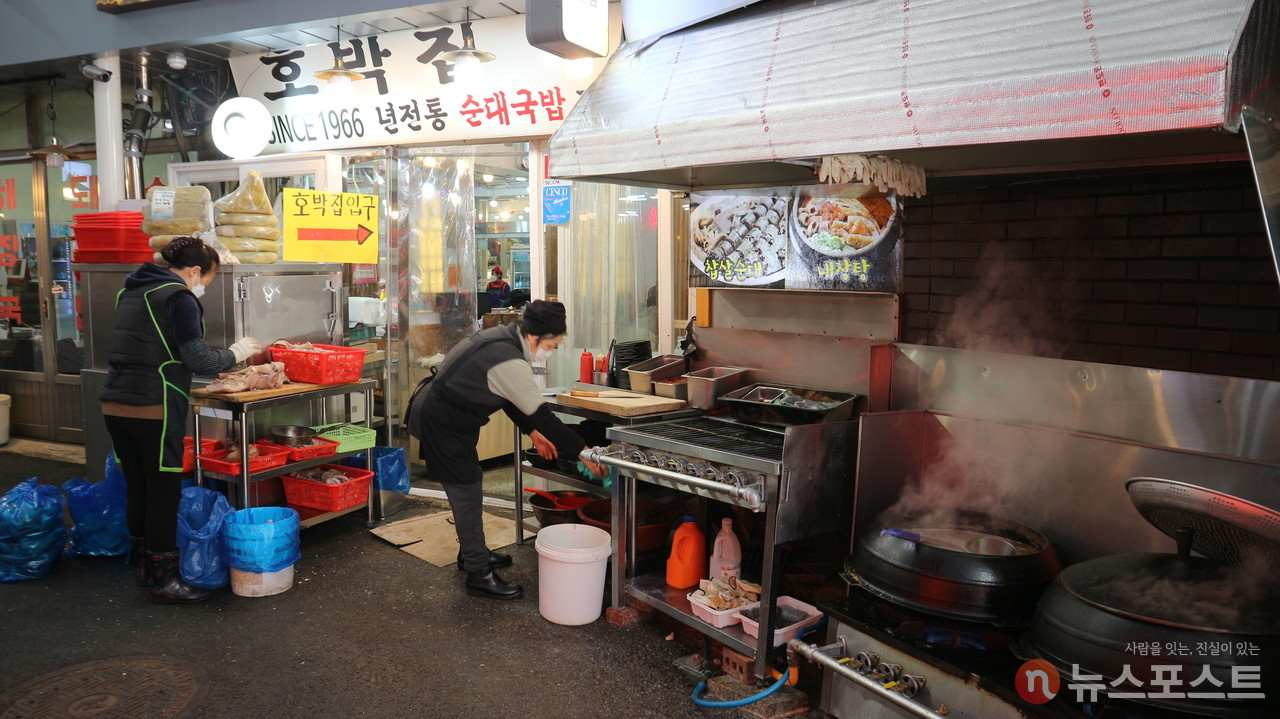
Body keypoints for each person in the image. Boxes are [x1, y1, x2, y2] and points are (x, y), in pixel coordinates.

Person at [99, 236, 261, 603]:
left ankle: (144, 566)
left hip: (115, 404)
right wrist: (237, 352)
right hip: (153, 405)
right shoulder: (178, 297)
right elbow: (199, 361)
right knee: (163, 491)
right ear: (193, 271)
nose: (203, 286)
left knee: (139, 486)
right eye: (206, 279)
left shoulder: (132, 292)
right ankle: (165, 580)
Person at [411, 300, 604, 599]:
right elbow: (544, 416)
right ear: (536, 337)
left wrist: (530, 431)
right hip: (442, 422)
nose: (550, 351)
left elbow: (504, 395)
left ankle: (472, 554)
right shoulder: (508, 359)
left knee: (470, 482)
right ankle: (478, 573)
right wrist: (583, 452)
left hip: (449, 417)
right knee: (467, 492)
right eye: (552, 344)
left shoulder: (502, 337)